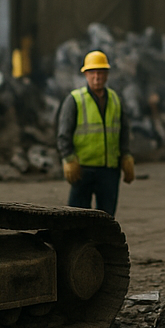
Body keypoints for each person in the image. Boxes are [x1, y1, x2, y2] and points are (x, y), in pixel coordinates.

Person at [57, 50, 135, 216]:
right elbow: (64, 133)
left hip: (109, 171)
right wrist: (68, 159)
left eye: (101, 72)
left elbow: (123, 130)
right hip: (82, 169)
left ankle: (101, 244)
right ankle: (77, 243)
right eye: (92, 72)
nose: (97, 77)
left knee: (106, 220)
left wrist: (126, 156)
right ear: (85, 74)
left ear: (107, 75)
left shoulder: (115, 99)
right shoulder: (75, 100)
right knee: (76, 219)